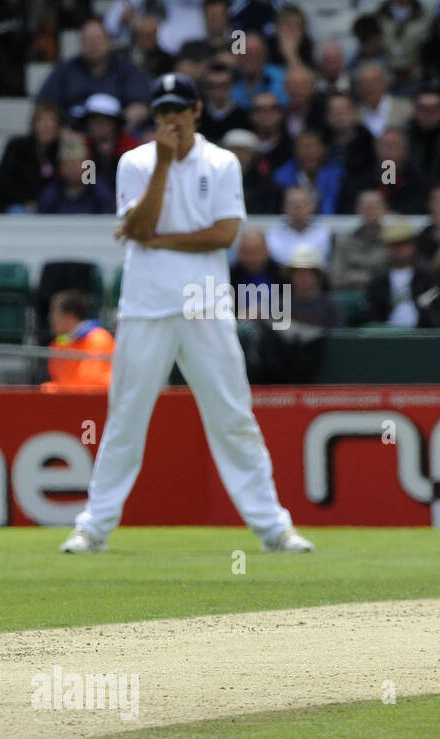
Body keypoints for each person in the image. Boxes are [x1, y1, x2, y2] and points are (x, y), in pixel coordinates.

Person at [59, 72, 313, 555]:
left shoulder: (221, 163)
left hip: (204, 303)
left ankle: (274, 528)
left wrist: (156, 239)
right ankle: (92, 527)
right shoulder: (135, 162)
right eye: (163, 111)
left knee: (233, 415)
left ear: (197, 110)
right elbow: (138, 227)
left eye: (179, 109)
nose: (171, 118)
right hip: (145, 305)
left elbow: (223, 235)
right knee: (126, 418)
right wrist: (161, 165)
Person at [365, 219, 440, 328]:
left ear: (413, 245)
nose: (398, 249)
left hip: (422, 333)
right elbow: (374, 317)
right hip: (387, 335)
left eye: (403, 243)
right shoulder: (377, 282)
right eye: (394, 244)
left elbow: (434, 310)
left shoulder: (428, 277)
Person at [0, 102, 60, 213]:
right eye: (42, 121)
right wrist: (27, 200)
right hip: (13, 205)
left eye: (52, 121)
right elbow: (3, 182)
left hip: (46, 207)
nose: (47, 126)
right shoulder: (17, 147)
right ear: (33, 125)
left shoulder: (60, 152)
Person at [41, 289, 113, 393]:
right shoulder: (60, 343)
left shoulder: (99, 340)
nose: (50, 318)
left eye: (54, 313)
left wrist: (56, 389)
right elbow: (61, 380)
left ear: (69, 316)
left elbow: (92, 383)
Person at [328, 189, 388, 290]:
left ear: (384, 210)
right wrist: (374, 277)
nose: (370, 211)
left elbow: (393, 279)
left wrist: (357, 276)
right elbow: (335, 278)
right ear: (357, 210)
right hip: (350, 293)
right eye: (366, 207)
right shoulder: (343, 241)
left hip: (382, 294)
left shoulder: (392, 242)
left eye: (374, 207)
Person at [265, 185, 331, 267]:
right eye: (293, 205)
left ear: (312, 206)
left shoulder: (324, 234)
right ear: (284, 207)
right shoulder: (274, 235)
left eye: (302, 205)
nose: (297, 209)